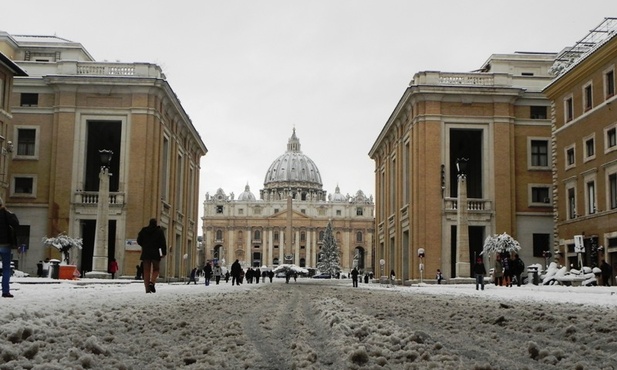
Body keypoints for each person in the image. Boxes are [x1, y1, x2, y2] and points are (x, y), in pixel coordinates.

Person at [137, 218, 167, 293]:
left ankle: (147, 289)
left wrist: (144, 245)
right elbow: (163, 243)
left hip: (146, 253)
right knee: (156, 269)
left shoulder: (144, 230)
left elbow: (139, 240)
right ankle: (152, 282)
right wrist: (163, 253)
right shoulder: (159, 231)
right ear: (156, 223)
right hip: (155, 254)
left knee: (146, 271)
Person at [0, 198, 19, 298]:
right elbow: (16, 223)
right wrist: (6, 211)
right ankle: (5, 291)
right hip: (5, 244)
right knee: (6, 269)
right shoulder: (6, 214)